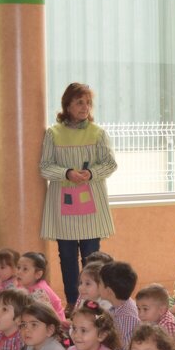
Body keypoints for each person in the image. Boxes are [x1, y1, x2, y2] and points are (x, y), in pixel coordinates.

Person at [39, 83, 118, 307]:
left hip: (91, 207)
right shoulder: (53, 134)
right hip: (64, 210)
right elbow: (44, 167)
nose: (84, 107)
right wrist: (66, 173)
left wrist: (91, 173)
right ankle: (73, 302)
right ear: (67, 105)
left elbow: (110, 164)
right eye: (79, 102)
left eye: (87, 103)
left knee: (93, 259)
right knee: (67, 259)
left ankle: (95, 302)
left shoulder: (98, 133)